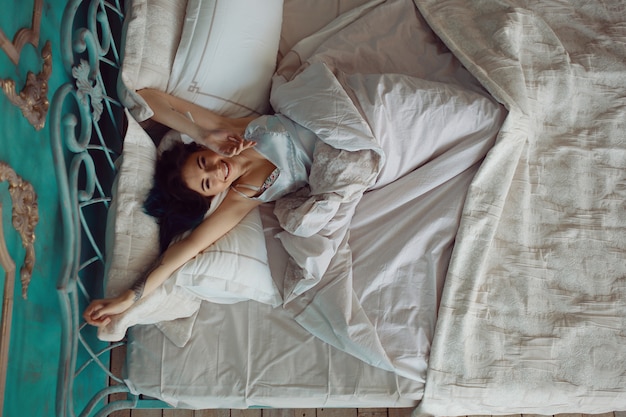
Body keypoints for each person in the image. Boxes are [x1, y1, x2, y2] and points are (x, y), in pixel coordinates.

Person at [83, 88, 317, 327]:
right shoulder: (243, 196)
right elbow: (187, 248)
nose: (216, 171)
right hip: (336, 158)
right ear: (210, 197)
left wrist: (202, 134)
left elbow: (146, 97)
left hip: (317, 113)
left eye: (204, 162)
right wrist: (126, 299)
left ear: (201, 149)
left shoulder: (228, 128)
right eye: (207, 184)